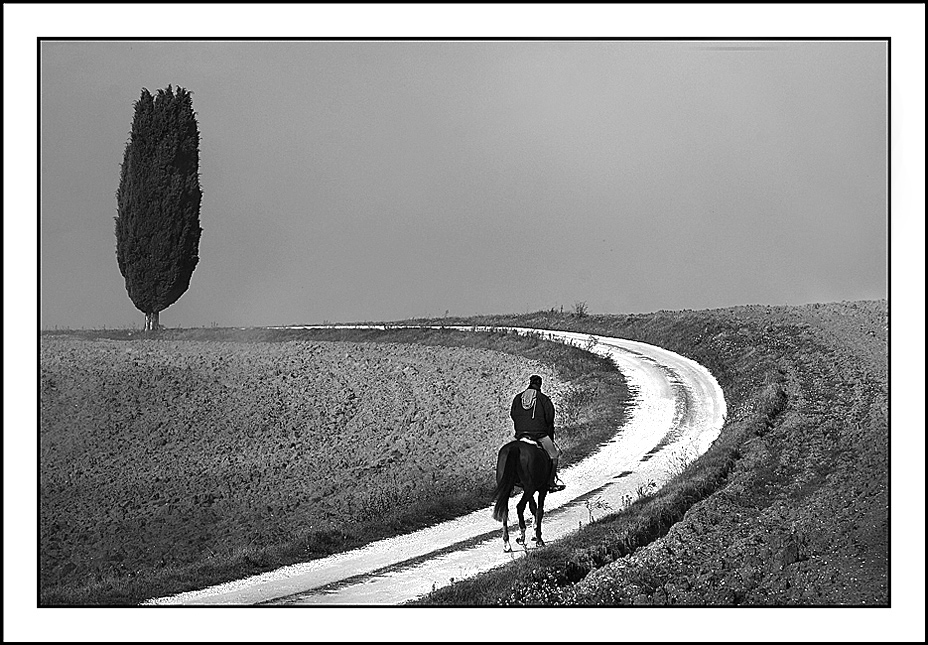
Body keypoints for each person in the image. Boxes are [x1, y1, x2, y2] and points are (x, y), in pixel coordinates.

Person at [510, 374, 566, 492]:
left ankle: (514, 478)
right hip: (539, 434)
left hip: (521, 434)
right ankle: (551, 482)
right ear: (540, 384)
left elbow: (513, 415)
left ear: (530, 383)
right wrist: (549, 434)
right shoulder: (544, 399)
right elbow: (549, 419)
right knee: (554, 456)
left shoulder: (517, 398)